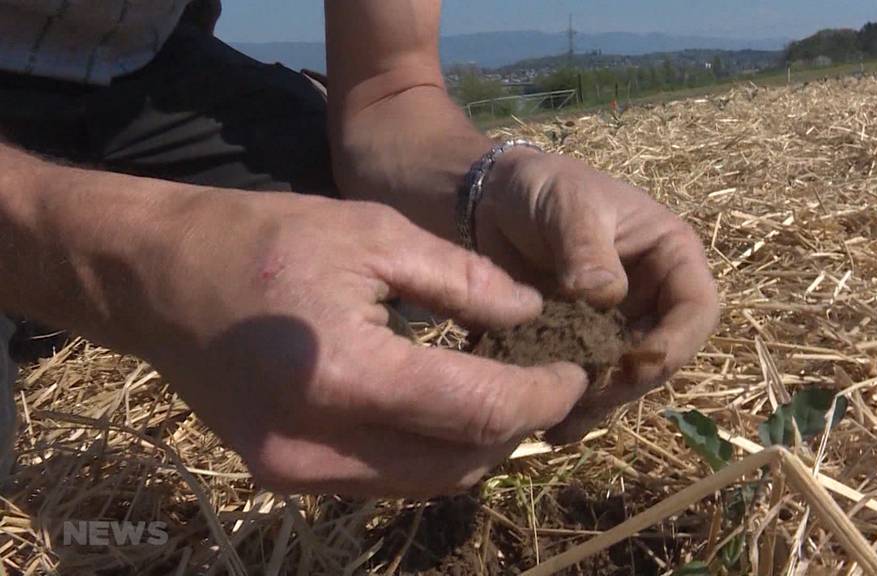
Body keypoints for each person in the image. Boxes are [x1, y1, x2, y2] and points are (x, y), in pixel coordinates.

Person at [0, 1, 718, 497]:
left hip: (144, 68)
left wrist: (495, 181)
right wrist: (132, 258)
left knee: (373, 251)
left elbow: (389, 90)